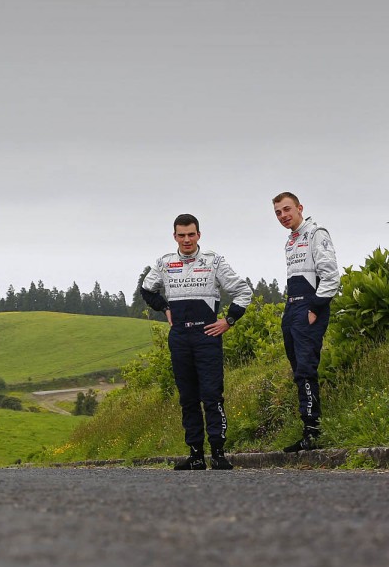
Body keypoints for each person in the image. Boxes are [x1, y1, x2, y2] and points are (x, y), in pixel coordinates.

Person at [141, 214, 252, 470]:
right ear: (175, 237)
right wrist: (164, 307)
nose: (187, 239)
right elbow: (146, 289)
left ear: (199, 235)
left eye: (191, 234)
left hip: (207, 335)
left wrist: (230, 320)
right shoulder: (165, 263)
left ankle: (218, 453)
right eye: (182, 235)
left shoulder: (214, 261)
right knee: (188, 398)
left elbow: (243, 291)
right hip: (179, 336)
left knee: (212, 396)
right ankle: (195, 455)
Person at [272, 192, 339, 452]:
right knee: (297, 369)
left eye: (287, 209)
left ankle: (313, 431)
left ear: (299, 208)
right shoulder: (290, 241)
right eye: (278, 212)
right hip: (292, 308)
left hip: (309, 307)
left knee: (306, 369)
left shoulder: (316, 233)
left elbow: (331, 276)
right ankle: (307, 430)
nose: (283, 216)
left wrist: (314, 308)